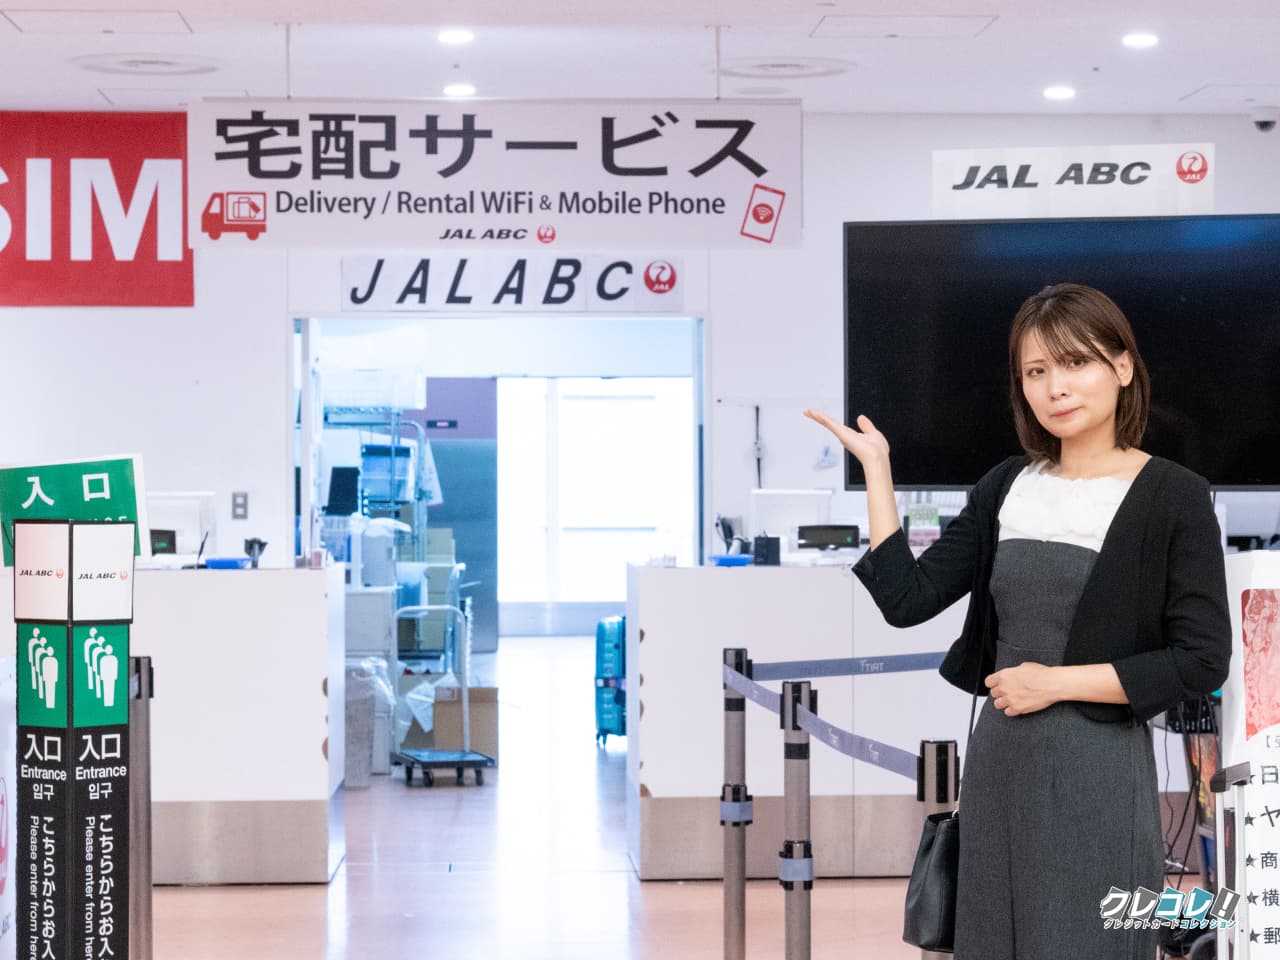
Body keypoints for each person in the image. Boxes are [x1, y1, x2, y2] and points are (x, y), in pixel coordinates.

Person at [805, 283, 1231, 960]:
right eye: (1036, 371)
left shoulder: (1175, 496)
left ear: (1123, 367)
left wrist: (1053, 683)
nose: (1055, 387)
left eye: (1075, 363)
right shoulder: (1007, 485)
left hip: (1099, 772)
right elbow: (907, 600)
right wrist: (878, 470)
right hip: (1000, 768)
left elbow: (1201, 658)